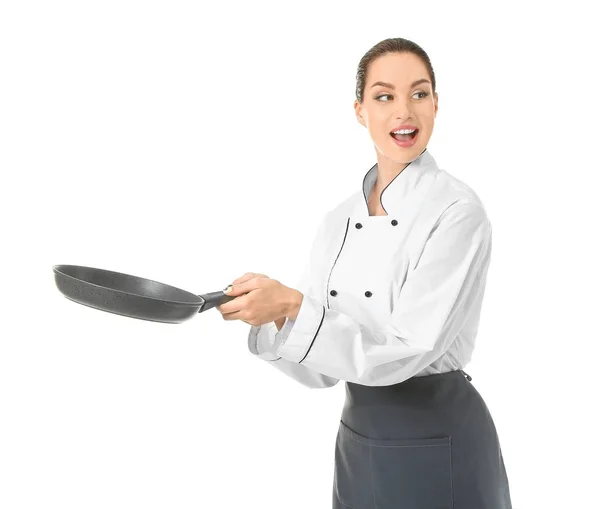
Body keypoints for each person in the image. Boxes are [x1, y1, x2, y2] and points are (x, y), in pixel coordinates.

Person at [215, 37, 512, 509]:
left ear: (436, 104)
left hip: (440, 437)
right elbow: (322, 371)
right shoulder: (338, 220)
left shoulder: (457, 211)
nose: (404, 112)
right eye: (384, 96)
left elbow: (406, 352)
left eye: (418, 94)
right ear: (359, 111)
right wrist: (271, 318)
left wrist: (293, 305)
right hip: (359, 440)